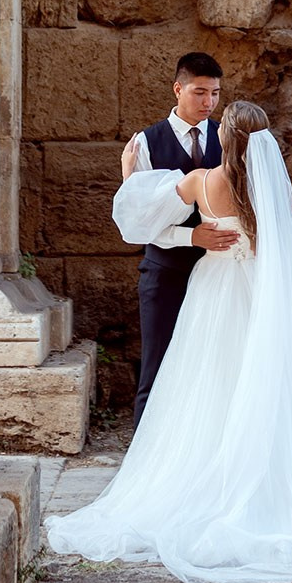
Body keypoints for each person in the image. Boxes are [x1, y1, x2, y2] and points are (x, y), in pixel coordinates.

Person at [46, 101, 292, 583]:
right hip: (262, 294)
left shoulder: (202, 181)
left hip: (215, 290)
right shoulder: (274, 190)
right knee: (266, 380)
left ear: (225, 137)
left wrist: (130, 174)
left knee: (206, 380)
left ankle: (205, 470)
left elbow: (139, 214)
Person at [125, 51, 235, 428]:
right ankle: (142, 453)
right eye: (199, 92)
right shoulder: (146, 143)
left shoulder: (227, 138)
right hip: (165, 273)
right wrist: (192, 236)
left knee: (211, 369)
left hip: (219, 276)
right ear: (178, 89)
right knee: (156, 368)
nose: (209, 103)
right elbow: (140, 222)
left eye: (215, 94)